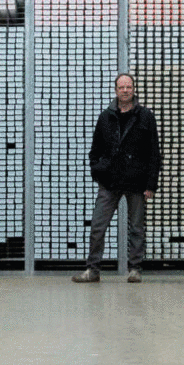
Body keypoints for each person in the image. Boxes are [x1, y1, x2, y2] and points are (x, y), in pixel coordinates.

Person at [72, 72, 161, 283]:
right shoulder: (105, 117)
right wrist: (98, 170)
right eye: (121, 87)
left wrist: (151, 184)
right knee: (98, 226)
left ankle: (135, 269)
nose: (125, 90)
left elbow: (153, 153)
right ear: (116, 90)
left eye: (128, 87)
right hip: (110, 181)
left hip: (136, 181)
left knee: (136, 228)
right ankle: (93, 270)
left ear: (134, 89)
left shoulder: (146, 116)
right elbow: (95, 149)